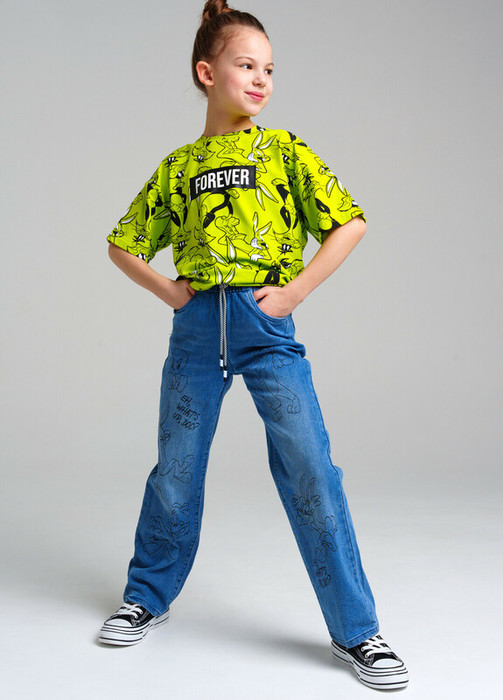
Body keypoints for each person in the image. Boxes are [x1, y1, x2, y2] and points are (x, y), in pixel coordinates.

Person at [98, 0, 408, 691]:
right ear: (207, 73)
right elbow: (122, 243)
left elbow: (349, 223)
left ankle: (358, 631)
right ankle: (145, 598)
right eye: (247, 65)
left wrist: (294, 293)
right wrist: (170, 292)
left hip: (266, 331)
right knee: (175, 474)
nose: (262, 79)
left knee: (311, 470)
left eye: (269, 69)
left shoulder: (284, 151)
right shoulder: (180, 166)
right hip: (195, 332)